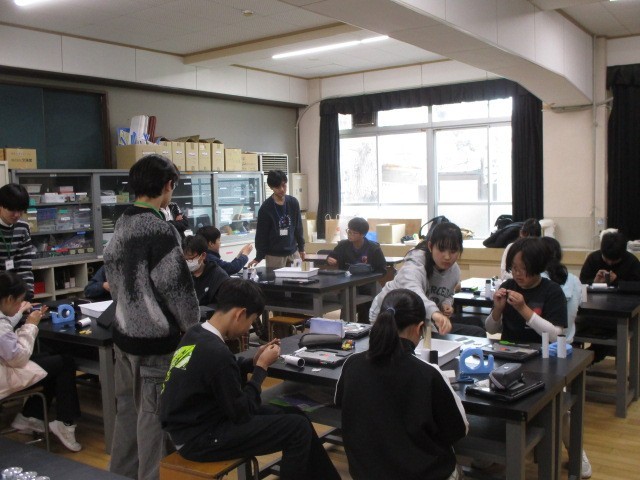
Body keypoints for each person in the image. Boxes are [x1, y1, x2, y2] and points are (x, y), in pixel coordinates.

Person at [160, 279, 340, 480]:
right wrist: (261, 369)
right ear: (239, 314)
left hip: (194, 424)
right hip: (199, 438)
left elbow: (218, 373)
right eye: (251, 321)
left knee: (297, 416)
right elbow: (242, 412)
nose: (248, 329)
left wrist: (252, 362)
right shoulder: (216, 352)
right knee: (296, 431)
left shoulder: (196, 333)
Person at [104, 154, 200, 480]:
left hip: (123, 334)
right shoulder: (160, 229)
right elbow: (178, 289)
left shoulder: (122, 222)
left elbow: (114, 276)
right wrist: (194, 330)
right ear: (168, 185)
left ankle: (120, 475)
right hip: (155, 342)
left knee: (128, 415)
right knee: (154, 420)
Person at [335, 288, 468, 480]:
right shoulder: (429, 373)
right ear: (419, 327)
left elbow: (343, 405)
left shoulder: (351, 364)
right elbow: (458, 430)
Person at [0, 271, 82, 452]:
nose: (20, 304)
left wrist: (19, 312)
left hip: (6, 366)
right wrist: (30, 325)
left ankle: (30, 415)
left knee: (54, 358)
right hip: (6, 373)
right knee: (64, 362)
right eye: (19, 301)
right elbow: (19, 358)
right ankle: (65, 423)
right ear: (9, 299)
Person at [369, 222, 485, 337]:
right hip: (389, 317)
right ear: (430, 246)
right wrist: (435, 313)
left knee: (476, 324)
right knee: (472, 333)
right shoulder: (414, 264)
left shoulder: (454, 271)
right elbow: (414, 294)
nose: (447, 257)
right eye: (441, 249)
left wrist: (446, 303)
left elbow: (449, 293)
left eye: (453, 251)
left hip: (423, 318)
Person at [540, 237, 593, 479]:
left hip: (551, 350)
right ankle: (577, 454)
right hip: (568, 347)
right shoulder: (573, 279)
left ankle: (577, 453)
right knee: (560, 405)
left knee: (558, 405)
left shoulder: (542, 283)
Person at [486, 237, 567, 344]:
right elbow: (491, 330)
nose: (517, 273)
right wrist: (497, 309)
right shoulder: (507, 286)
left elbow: (556, 337)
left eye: (524, 268)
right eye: (514, 267)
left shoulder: (553, 291)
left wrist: (523, 308)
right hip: (508, 349)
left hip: (541, 351)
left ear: (538, 266)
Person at [327, 217, 386, 322]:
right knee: (347, 298)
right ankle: (345, 325)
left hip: (367, 285)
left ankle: (365, 325)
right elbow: (332, 256)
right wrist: (329, 259)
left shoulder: (373, 248)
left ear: (363, 234)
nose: (350, 235)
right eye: (349, 231)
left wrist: (369, 276)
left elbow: (382, 270)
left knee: (366, 305)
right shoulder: (343, 245)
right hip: (347, 283)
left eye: (354, 233)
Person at [248, 170, 305, 268]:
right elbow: (261, 236)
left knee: (298, 277)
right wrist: (259, 257)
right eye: (278, 187)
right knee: (276, 278)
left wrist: (301, 248)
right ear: (271, 187)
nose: (282, 189)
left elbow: (298, 228)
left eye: (284, 185)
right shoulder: (266, 208)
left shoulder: (293, 202)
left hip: (293, 252)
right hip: (274, 255)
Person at [0, 184, 35, 299]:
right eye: (12, 210)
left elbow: (24, 267)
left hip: (13, 294)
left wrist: (26, 297)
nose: (16, 215)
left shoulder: (23, 228)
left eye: (20, 210)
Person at [183, 235, 229, 308]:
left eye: (191, 259)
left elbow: (222, 305)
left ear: (203, 256)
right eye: (184, 260)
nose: (187, 263)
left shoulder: (218, 276)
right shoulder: (182, 274)